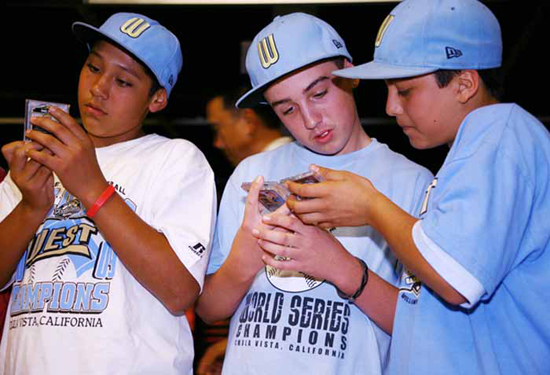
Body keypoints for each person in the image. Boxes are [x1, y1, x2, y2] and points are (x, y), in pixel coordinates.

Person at [282, 1, 550, 374]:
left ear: (464, 83)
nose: (391, 106)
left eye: (405, 90)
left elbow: (456, 278)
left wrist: (370, 207)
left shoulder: (502, 133)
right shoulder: (470, 153)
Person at [196, 12, 433, 375]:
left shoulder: (411, 182)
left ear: (350, 75)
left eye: (319, 93)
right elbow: (210, 309)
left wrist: (340, 267)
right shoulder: (251, 174)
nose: (310, 119)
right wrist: (244, 260)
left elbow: (426, 330)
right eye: (287, 109)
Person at [0, 12, 216, 375]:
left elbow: (179, 292)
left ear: (157, 99)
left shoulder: (175, 158)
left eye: (124, 82)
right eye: (93, 67)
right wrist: (32, 207)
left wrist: (92, 188)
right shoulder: (41, 158)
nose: (99, 88)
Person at [197, 86, 292, 375]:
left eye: (219, 128)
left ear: (249, 121)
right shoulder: (245, 176)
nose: (217, 142)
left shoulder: (268, 178)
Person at [207, 85, 293, 168]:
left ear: (249, 121)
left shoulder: (269, 171)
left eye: (217, 128)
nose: (218, 144)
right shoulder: (291, 158)